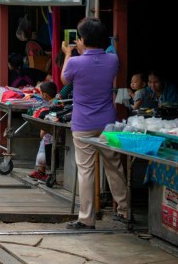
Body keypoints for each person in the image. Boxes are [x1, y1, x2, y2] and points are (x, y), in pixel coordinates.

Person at [61, 17, 130, 230]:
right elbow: (106, 57)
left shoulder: (74, 62)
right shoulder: (112, 60)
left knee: (86, 170)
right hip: (107, 122)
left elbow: (64, 80)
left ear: (82, 39)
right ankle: (124, 211)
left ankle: (86, 218)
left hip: (83, 123)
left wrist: (68, 54)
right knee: (114, 166)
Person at [30, 81, 57, 180]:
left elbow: (49, 119)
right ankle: (41, 172)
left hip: (50, 134)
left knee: (45, 154)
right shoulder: (54, 102)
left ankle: (46, 174)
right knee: (45, 152)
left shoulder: (52, 106)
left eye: (40, 93)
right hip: (50, 135)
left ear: (45, 95)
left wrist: (43, 130)